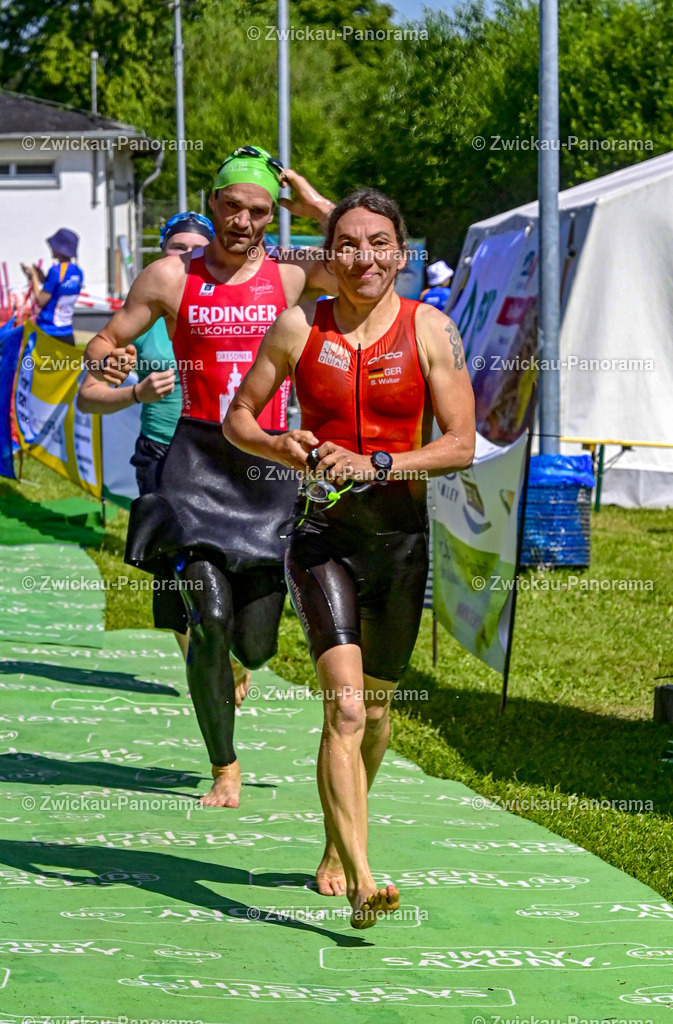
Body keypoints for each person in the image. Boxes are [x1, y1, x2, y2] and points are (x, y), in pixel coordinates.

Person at [223, 188, 476, 927]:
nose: (362, 258)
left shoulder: (431, 329)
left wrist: (381, 465)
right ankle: (366, 878)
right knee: (346, 705)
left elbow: (460, 443)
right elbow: (240, 415)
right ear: (328, 255)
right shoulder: (298, 326)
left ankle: (337, 846)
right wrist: (277, 444)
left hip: (398, 540)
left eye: (377, 244)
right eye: (346, 244)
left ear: (400, 254)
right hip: (320, 535)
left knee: (380, 712)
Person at [82, 145, 335, 808]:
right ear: (213, 204)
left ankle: (237, 666)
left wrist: (313, 204)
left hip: (266, 464)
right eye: (231, 206)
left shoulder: (288, 276)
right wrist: (107, 358)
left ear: (269, 214)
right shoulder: (170, 276)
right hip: (192, 460)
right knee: (209, 616)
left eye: (258, 210)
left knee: (254, 643)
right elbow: (108, 339)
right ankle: (224, 767)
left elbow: (373, 261)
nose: (243, 221)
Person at [77, 212, 215, 661]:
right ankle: (199, 654)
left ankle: (226, 647)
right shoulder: (144, 317)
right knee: (171, 564)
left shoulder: (228, 314)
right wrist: (135, 391)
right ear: (162, 255)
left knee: (227, 558)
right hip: (161, 456)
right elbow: (88, 397)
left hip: (220, 454)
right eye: (178, 248)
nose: (187, 257)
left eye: (198, 249)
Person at [21, 229, 84, 345]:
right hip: (67, 332)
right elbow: (60, 289)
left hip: (48, 331)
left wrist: (34, 277)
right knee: (65, 364)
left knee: (41, 363)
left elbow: (40, 301)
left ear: (60, 250)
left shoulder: (56, 271)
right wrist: (43, 277)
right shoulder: (78, 272)